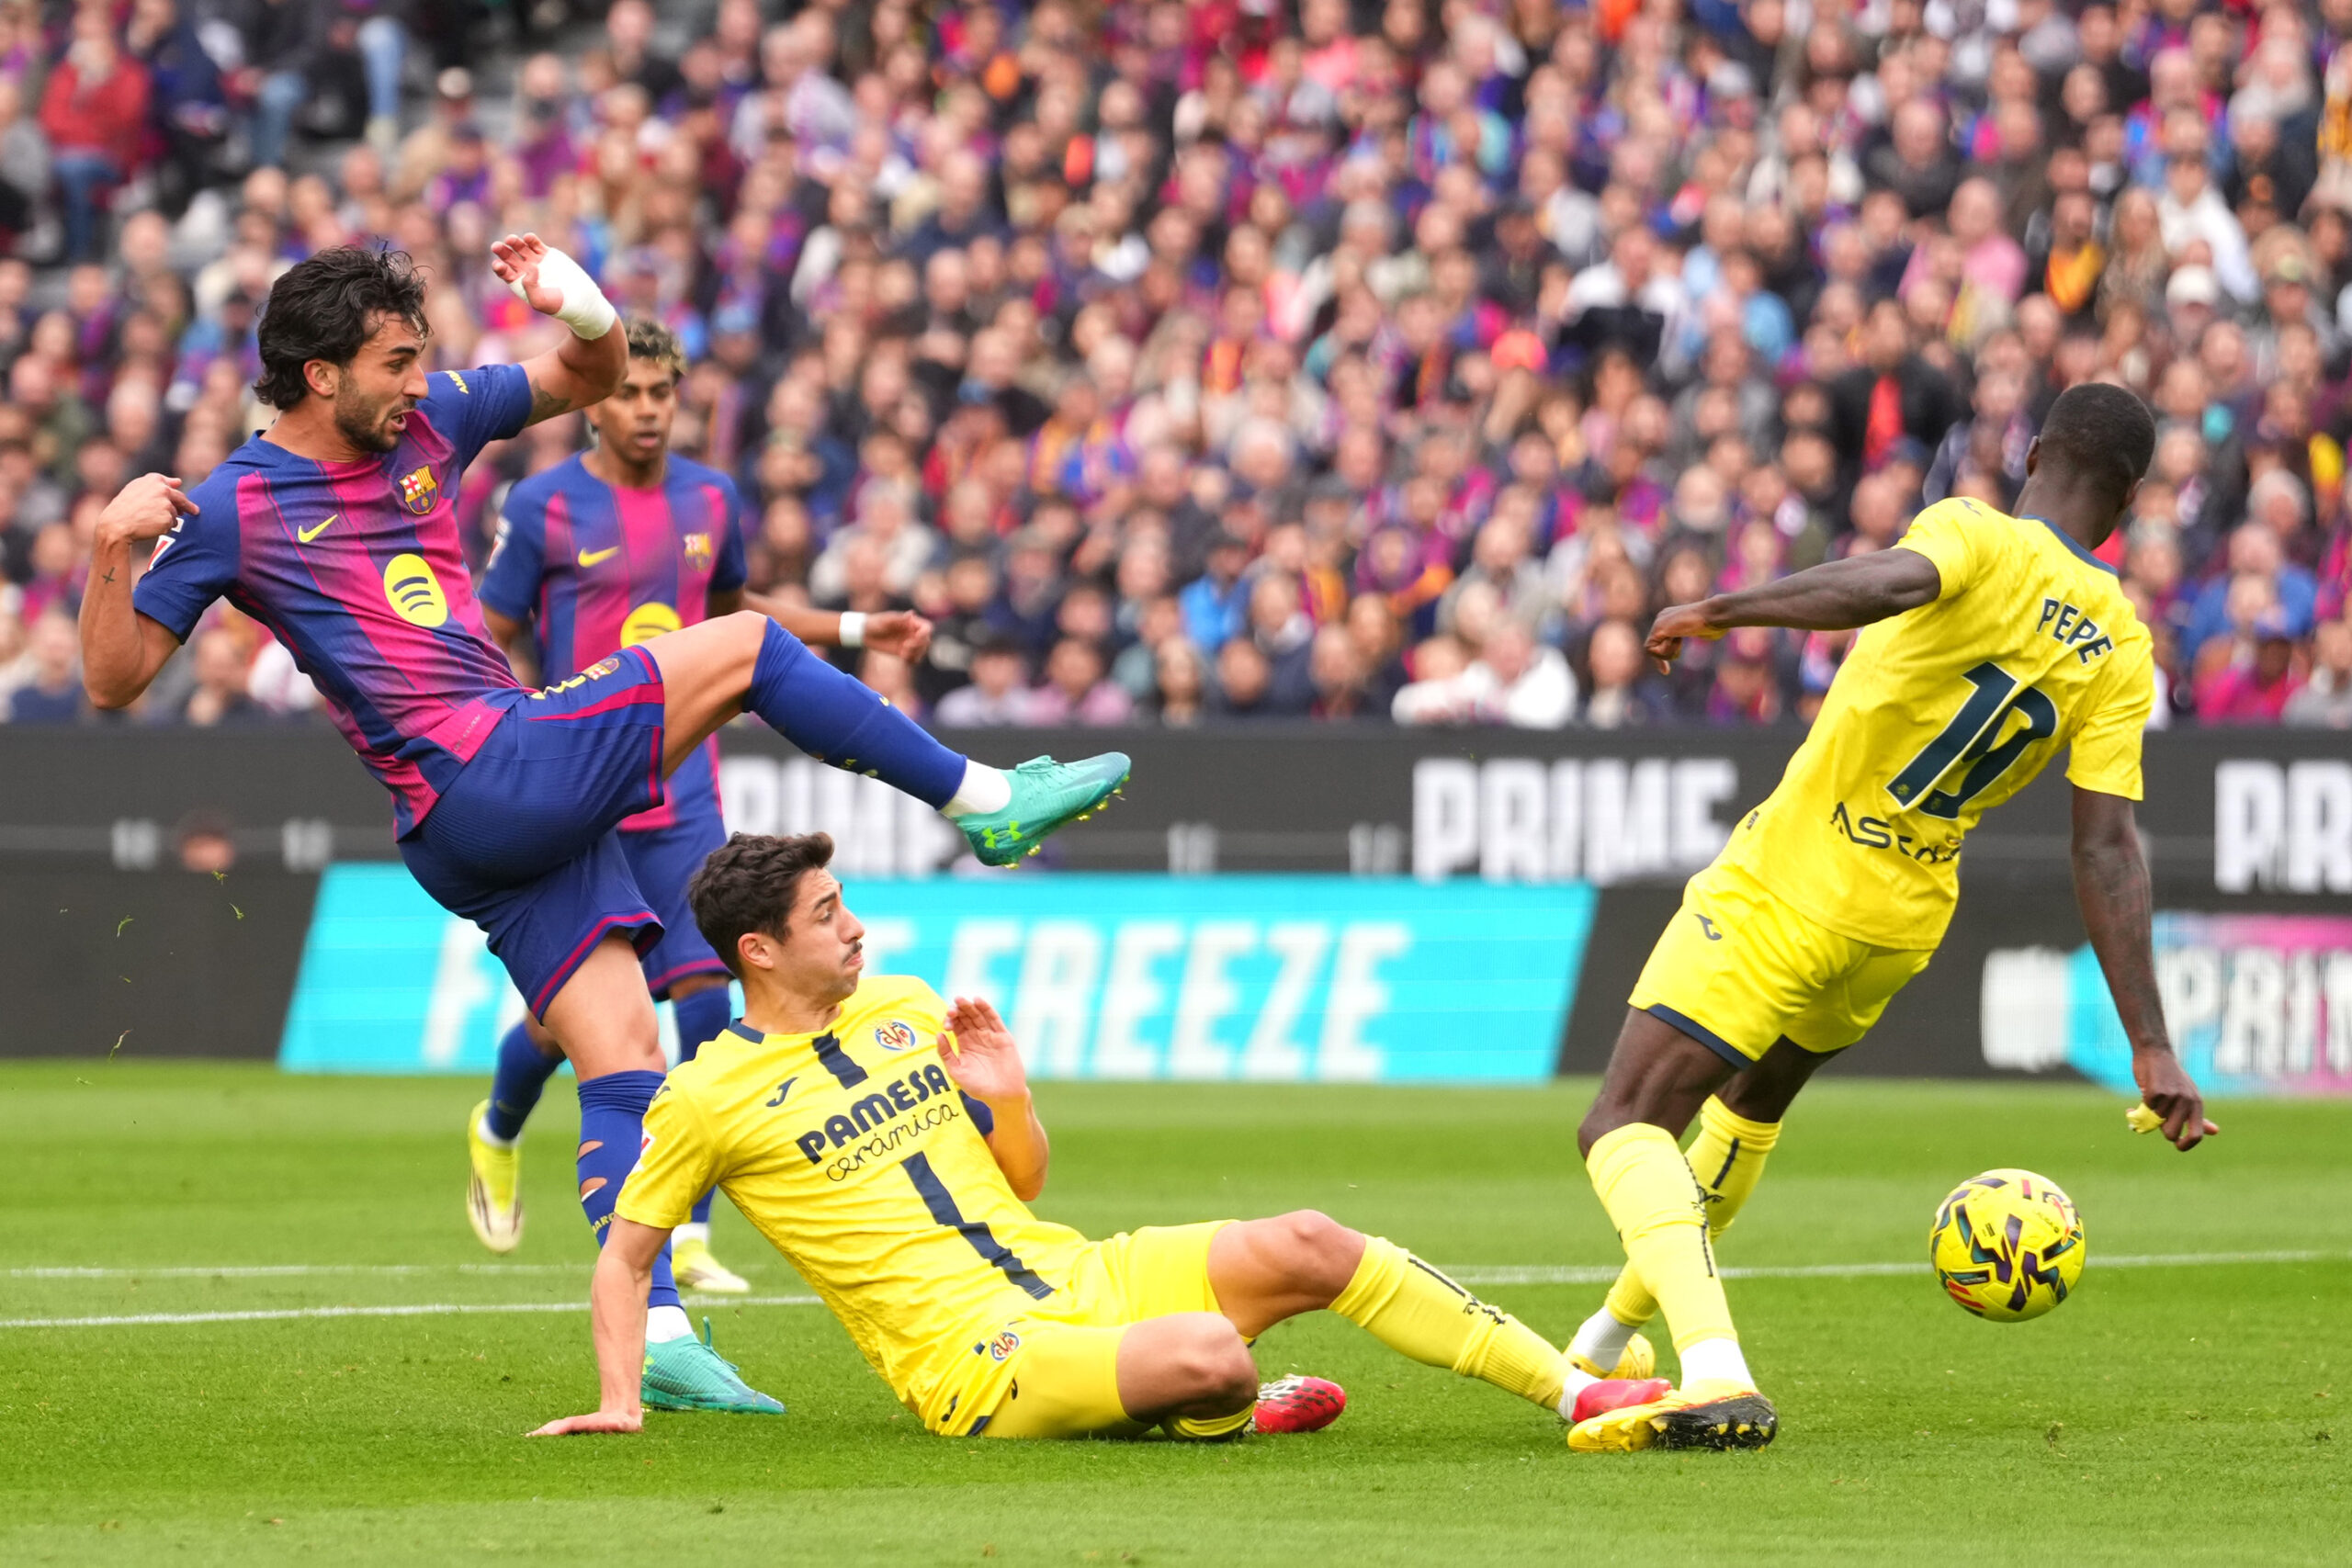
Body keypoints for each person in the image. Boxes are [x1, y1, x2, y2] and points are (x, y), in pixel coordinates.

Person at [78, 241, 1129, 1414]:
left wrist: (577, 300)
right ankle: (985, 803)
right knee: (749, 650)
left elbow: (586, 371)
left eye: (421, 358)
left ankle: (662, 1339)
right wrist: (113, 545)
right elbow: (116, 678)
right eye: (396, 362)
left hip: (461, 825)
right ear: (320, 376)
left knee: (626, 1060)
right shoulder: (234, 505)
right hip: (487, 767)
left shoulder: (432, 419)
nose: (421, 381)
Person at [1555, 384, 2216, 1455]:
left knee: (1622, 1123)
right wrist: (2150, 1042)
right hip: (1900, 920)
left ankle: (1715, 1374)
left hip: (1794, 877)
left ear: (2032, 453)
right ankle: (1603, 1341)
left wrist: (1725, 609)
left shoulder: (1976, 533)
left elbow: (1886, 582)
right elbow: (2105, 847)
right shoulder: (2121, 646)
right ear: (2130, 499)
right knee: (1748, 1106)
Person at [528, 833, 1670, 1441]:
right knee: (1212, 1354)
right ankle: (1219, 1413)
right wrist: (624, 1397)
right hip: (977, 1361)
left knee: (1311, 1240)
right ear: (760, 952)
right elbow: (626, 1259)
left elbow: (1022, 1182)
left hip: (1074, 1275)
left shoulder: (905, 1006)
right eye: (827, 915)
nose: (856, 926)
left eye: (846, 903)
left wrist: (1010, 1099)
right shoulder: (707, 1096)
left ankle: (1571, 1392)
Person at [463, 318, 937, 1305]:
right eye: (627, 392)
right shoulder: (544, 504)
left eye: (661, 392)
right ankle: (499, 1126)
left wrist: (856, 626)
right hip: (581, 792)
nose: (646, 409)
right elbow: (489, 627)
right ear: (593, 403)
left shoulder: (711, 498)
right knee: (561, 1029)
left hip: (682, 790)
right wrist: (506, 735)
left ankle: (688, 1234)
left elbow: (739, 619)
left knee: (708, 999)